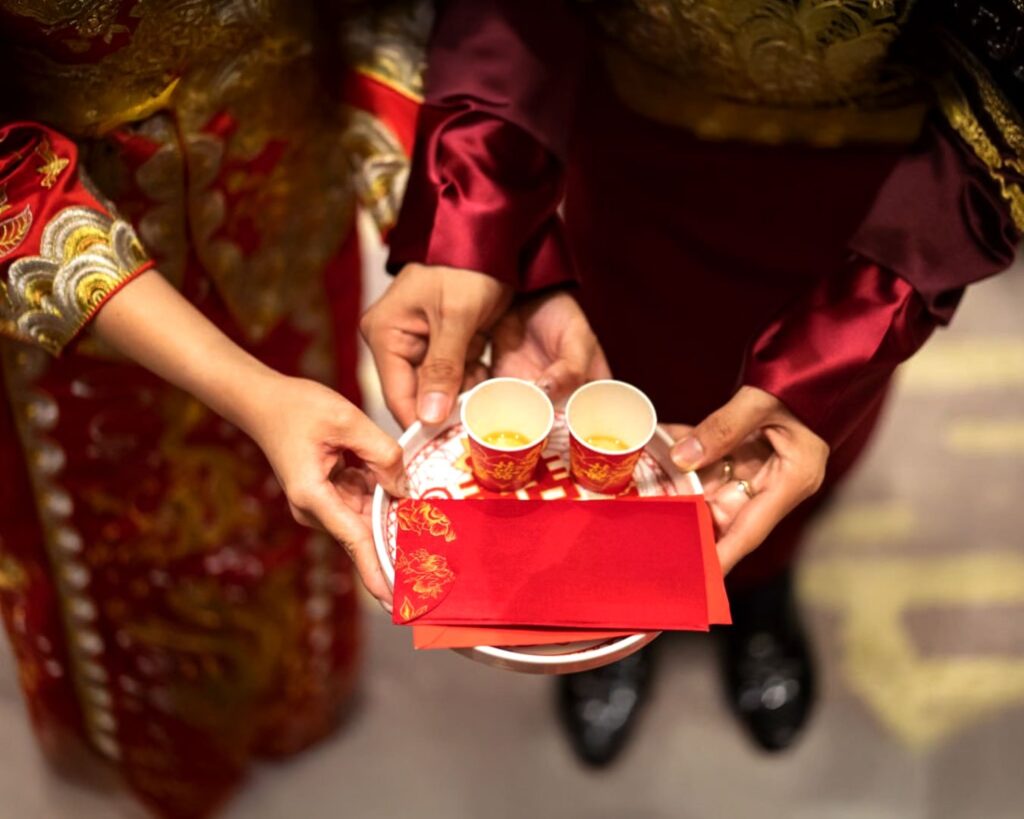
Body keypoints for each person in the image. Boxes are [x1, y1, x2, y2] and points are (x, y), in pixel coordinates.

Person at [362, 0, 1024, 764]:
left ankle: (761, 589)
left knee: (796, 435)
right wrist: (472, 219)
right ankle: (614, 611)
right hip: (635, 138)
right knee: (607, 377)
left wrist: (856, 335)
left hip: (882, 192)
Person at [0, 2, 428, 815]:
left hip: (292, 198)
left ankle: (296, 701)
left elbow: (390, 10)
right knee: (137, 546)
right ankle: (170, 750)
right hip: (97, 296)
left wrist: (427, 229)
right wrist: (252, 393)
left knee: (318, 498)